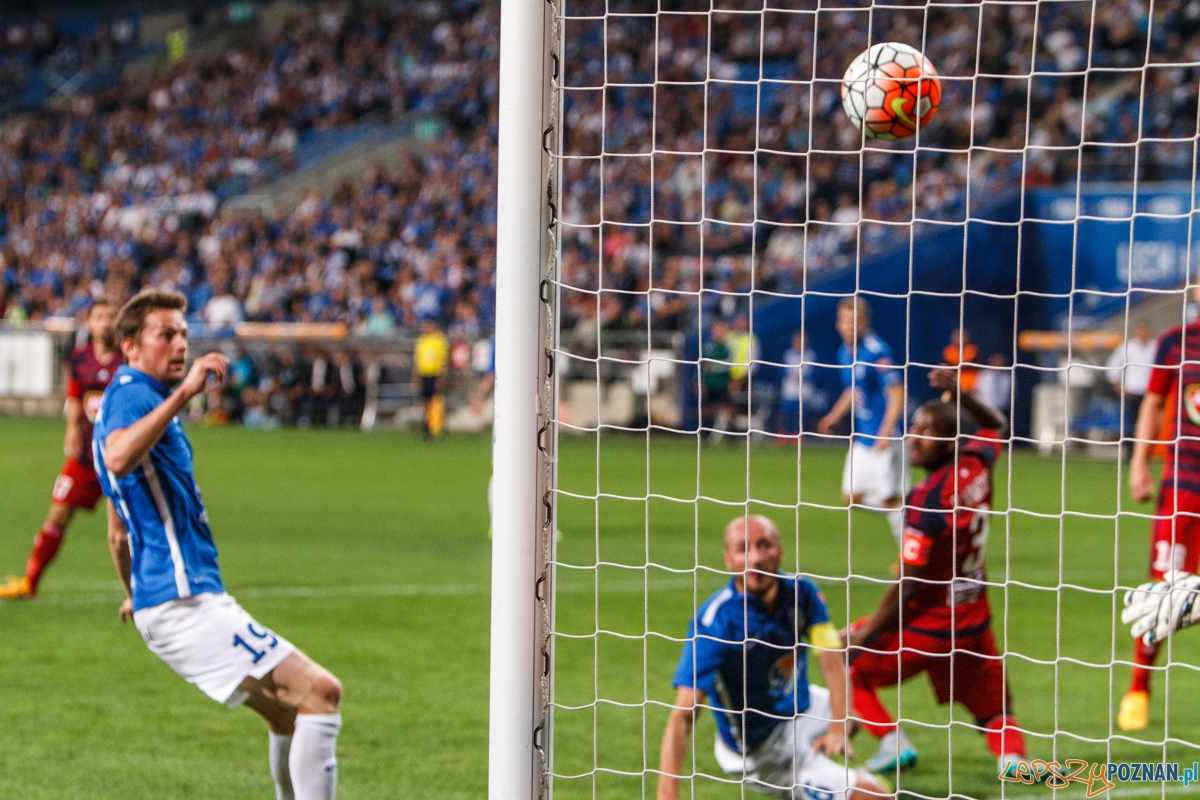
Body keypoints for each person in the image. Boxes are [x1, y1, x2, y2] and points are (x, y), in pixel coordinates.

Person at [93, 290, 343, 800]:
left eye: (183, 333)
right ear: (131, 347)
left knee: (287, 712)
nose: (181, 344)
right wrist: (184, 393)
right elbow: (118, 458)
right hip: (184, 602)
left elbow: (119, 530)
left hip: (167, 598)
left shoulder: (133, 400)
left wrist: (133, 591)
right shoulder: (133, 394)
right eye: (166, 334)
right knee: (321, 693)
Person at [845, 369, 1027, 778]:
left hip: (927, 623)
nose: (915, 436)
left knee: (837, 658)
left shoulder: (927, 499)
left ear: (951, 442)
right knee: (993, 706)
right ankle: (1012, 762)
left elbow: (908, 583)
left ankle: (893, 742)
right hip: (974, 617)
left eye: (929, 430)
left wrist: (865, 634)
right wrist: (959, 395)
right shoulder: (979, 464)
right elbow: (996, 425)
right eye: (915, 427)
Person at [657, 514, 891, 800]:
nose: (756, 557)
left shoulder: (803, 593)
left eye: (764, 545)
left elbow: (833, 664)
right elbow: (682, 716)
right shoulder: (715, 624)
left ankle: (817, 777)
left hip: (797, 706)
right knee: (881, 798)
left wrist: (838, 729)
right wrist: (667, 794)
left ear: (780, 550)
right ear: (728, 559)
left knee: (852, 716)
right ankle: (805, 779)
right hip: (760, 749)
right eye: (743, 549)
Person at [1, 300, 122, 600]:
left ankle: (157, 588)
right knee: (56, 516)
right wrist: (72, 429)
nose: (106, 322)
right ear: (90, 323)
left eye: (111, 317)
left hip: (121, 460)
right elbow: (75, 398)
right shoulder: (80, 359)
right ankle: (30, 582)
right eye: (100, 317)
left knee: (134, 528)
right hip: (84, 459)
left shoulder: (128, 360)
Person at [1119, 306, 1200, 731]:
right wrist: (1138, 464)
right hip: (1183, 487)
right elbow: (1152, 402)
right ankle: (1138, 688)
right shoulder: (1176, 342)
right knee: (1165, 591)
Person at [817, 298, 907, 545]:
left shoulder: (877, 351)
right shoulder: (844, 352)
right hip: (863, 438)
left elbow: (897, 392)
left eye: (855, 321)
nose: (850, 326)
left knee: (889, 497)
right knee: (851, 497)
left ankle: (908, 556)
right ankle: (908, 516)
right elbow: (853, 390)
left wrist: (886, 432)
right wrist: (833, 417)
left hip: (884, 437)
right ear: (838, 324)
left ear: (865, 323)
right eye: (846, 320)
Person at [1105, 320, 1156, 443]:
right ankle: (1130, 451)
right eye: (1141, 330)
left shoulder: (1155, 346)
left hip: (1150, 392)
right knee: (1131, 422)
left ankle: (1146, 451)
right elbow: (1112, 365)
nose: (1143, 333)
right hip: (1132, 391)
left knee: (1148, 422)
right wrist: (1118, 385)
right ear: (1136, 331)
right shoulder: (1128, 347)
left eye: (1145, 330)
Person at [413, 317, 450, 438]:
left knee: (437, 401)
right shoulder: (422, 340)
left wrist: (440, 378)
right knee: (425, 402)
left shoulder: (439, 340)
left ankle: (438, 427)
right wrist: (416, 378)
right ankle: (426, 426)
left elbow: (443, 361)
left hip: (435, 374)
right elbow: (418, 361)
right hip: (425, 374)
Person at [701, 319, 734, 440]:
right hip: (710, 382)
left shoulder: (727, 347)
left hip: (723, 383)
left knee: (727, 408)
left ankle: (730, 435)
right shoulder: (708, 346)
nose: (717, 332)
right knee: (708, 408)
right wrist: (698, 380)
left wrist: (715, 367)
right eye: (715, 330)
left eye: (720, 330)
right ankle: (706, 434)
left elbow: (729, 363)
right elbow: (702, 364)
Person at [778, 330, 813, 438]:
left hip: (803, 391)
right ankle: (784, 435)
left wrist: (803, 377)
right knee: (786, 414)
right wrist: (788, 374)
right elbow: (780, 371)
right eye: (797, 341)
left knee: (800, 415)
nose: (798, 343)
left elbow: (816, 374)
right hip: (789, 390)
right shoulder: (788, 354)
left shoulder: (811, 355)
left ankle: (798, 435)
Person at [973, 353, 1012, 418]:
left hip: (1002, 411)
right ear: (991, 361)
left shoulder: (1008, 377)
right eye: (996, 360)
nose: (998, 363)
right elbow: (975, 391)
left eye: (1001, 361)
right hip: (984, 409)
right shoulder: (983, 375)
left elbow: (1011, 396)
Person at [940, 329, 979, 394]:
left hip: (971, 385)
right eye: (957, 336)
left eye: (962, 336)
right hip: (952, 384)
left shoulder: (972, 349)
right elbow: (947, 366)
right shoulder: (948, 350)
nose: (960, 339)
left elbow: (966, 364)